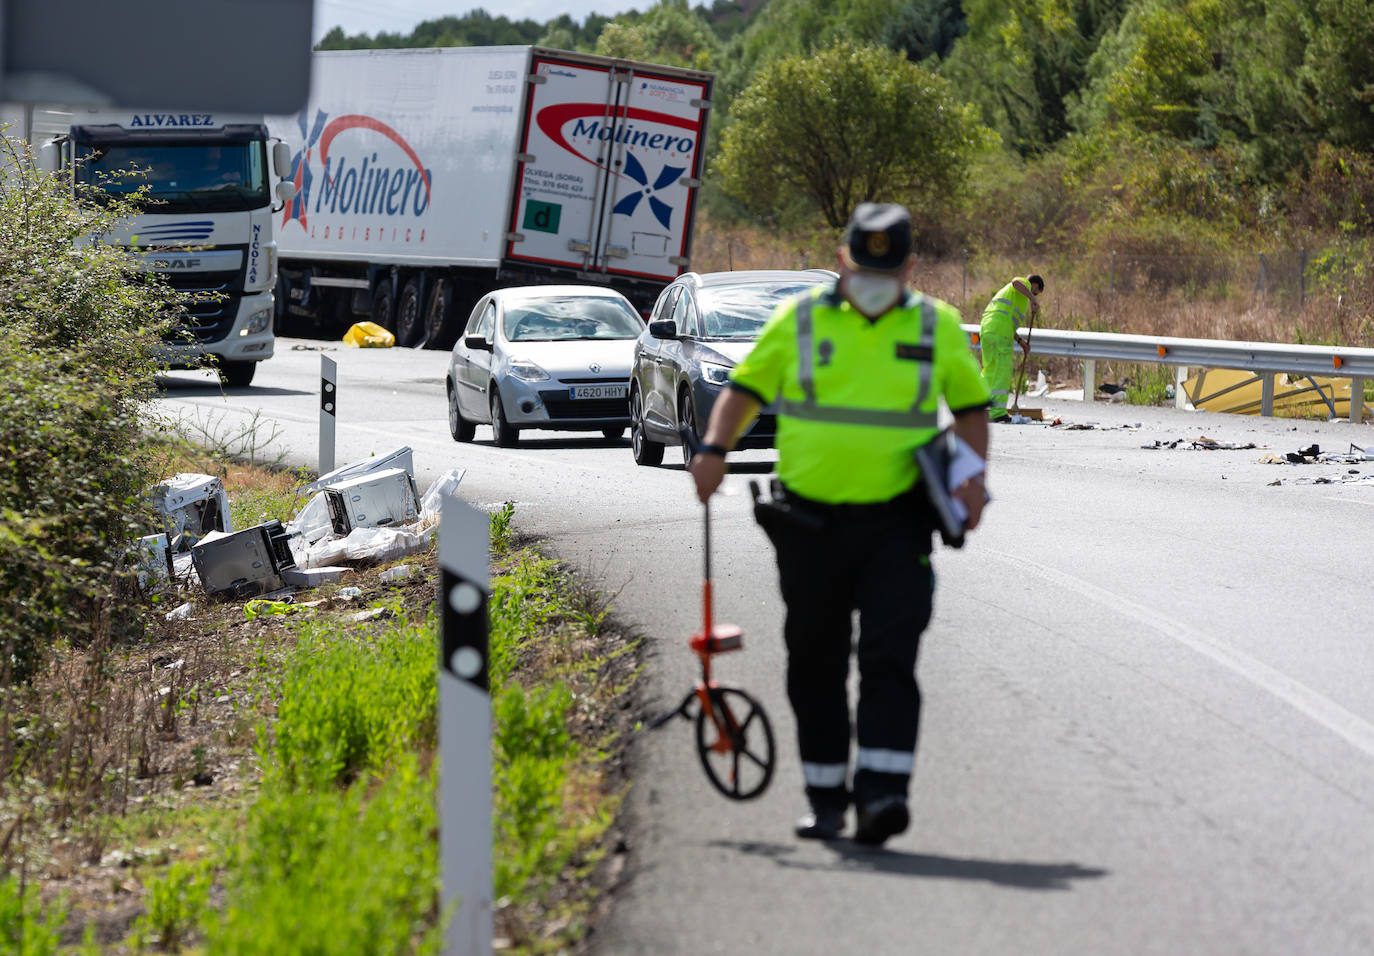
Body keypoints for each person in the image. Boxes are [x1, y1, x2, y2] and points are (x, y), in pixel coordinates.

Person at [687, 203, 991, 846]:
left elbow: (968, 410)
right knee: (815, 663)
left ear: (909, 267)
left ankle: (881, 795)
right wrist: (715, 449)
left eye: (889, 269)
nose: (874, 279)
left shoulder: (934, 326)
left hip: (898, 523)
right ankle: (825, 799)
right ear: (843, 259)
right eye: (863, 267)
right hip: (808, 525)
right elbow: (744, 390)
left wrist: (971, 479)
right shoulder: (798, 321)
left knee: (889, 657)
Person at [979, 274, 1043, 421]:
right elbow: (1015, 282)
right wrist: (1033, 299)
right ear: (1033, 285)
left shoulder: (1013, 298)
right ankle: (997, 413)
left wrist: (1021, 342)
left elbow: (1007, 322)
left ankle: (972, 403)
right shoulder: (1024, 284)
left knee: (990, 371)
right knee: (1002, 372)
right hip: (999, 334)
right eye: (1035, 292)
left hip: (989, 330)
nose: (1032, 296)